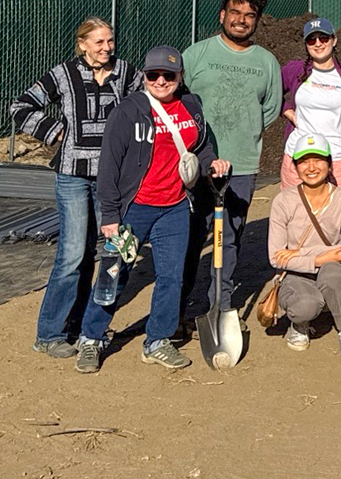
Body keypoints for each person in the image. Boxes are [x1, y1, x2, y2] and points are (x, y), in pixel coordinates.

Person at [77, 46, 230, 374]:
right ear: (144, 77)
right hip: (134, 208)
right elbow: (108, 166)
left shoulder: (191, 106)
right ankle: (91, 338)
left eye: (168, 75)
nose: (161, 81)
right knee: (113, 276)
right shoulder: (129, 111)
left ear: (180, 77)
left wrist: (210, 164)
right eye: (153, 75)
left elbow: (200, 145)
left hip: (174, 208)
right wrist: (110, 216)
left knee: (171, 278)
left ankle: (157, 340)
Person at [11, 17, 142, 358]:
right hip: (71, 175)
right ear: (82, 44)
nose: (107, 48)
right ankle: (49, 333)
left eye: (110, 41)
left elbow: (152, 100)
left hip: (111, 179)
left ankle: (82, 327)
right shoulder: (63, 75)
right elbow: (20, 106)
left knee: (101, 253)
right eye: (99, 43)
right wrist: (53, 131)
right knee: (71, 255)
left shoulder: (126, 74)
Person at [180, 0, 282, 323]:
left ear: (256, 22)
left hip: (241, 165)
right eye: (235, 13)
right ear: (222, 15)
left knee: (230, 239)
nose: (241, 20)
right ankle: (178, 309)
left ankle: (220, 306)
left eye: (249, 16)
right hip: (197, 164)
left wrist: (245, 135)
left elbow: (270, 109)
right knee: (190, 237)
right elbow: (178, 105)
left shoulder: (266, 62)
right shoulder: (196, 55)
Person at [268, 134, 341, 367]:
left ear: (329, 164)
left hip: (330, 269)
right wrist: (321, 256)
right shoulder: (282, 201)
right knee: (306, 306)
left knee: (333, 272)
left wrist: (299, 255)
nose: (311, 167)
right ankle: (300, 323)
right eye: (303, 161)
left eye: (318, 160)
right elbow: (275, 256)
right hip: (297, 275)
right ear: (296, 167)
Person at [280, 18, 341, 192]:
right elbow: (271, 92)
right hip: (298, 157)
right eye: (311, 39)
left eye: (323, 38)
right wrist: (288, 111)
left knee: (336, 215)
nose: (318, 44)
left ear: (334, 40)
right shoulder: (295, 70)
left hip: (337, 158)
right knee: (295, 213)